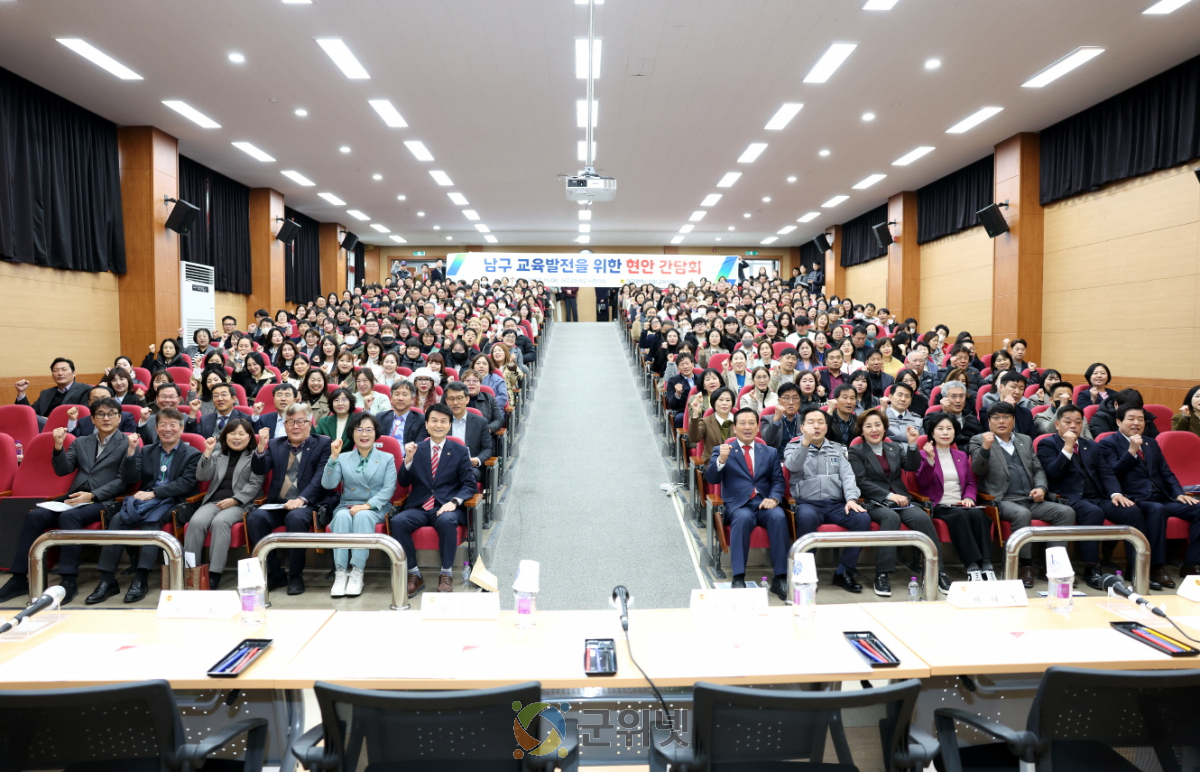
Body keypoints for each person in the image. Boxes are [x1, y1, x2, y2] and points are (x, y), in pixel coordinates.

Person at [0, 398, 128, 604]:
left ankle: (68, 580)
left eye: (111, 413)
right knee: (35, 516)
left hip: (104, 500)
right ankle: (19, 578)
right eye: (101, 414)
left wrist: (93, 496)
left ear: (119, 418)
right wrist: (58, 446)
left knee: (69, 518)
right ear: (93, 419)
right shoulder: (81, 441)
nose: (106, 418)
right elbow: (63, 470)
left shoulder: (127, 443)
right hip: (74, 497)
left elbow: (124, 480)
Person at [85, 407, 200, 604]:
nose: (167, 429)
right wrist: (130, 452)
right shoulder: (146, 451)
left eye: (173, 425)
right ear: (156, 428)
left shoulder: (192, 454)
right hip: (145, 500)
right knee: (117, 520)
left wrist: (155, 493)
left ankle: (141, 578)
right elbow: (131, 478)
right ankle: (107, 579)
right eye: (163, 425)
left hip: (173, 501)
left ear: (181, 428)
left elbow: (186, 484)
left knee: (151, 523)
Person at [1037, 404, 1150, 590]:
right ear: (1057, 425)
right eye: (1068, 422)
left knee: (1132, 511)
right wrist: (1067, 448)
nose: (1073, 426)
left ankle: (1136, 567)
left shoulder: (1092, 446)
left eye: (1078, 422)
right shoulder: (1047, 444)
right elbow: (1052, 473)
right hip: (1068, 497)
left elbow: (1106, 473)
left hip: (1097, 496)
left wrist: (1115, 493)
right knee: (1093, 513)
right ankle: (1092, 567)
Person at [969, 402, 1076, 587]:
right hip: (1000, 500)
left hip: (1029, 498)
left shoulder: (1024, 440)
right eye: (996, 418)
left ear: (1014, 420)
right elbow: (977, 469)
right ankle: (1023, 565)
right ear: (989, 422)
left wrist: (1041, 488)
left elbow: (1037, 469)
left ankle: (1052, 566)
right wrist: (985, 448)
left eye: (1006, 417)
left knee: (1065, 512)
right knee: (1022, 514)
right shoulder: (979, 440)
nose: (1001, 421)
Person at [849, 409, 950, 595]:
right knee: (890, 518)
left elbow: (911, 466)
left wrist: (912, 445)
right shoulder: (856, 451)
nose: (874, 429)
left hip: (901, 499)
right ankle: (882, 575)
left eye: (878, 425)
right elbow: (860, 481)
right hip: (874, 501)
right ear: (861, 430)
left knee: (922, 518)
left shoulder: (893, 447)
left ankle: (937, 571)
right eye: (868, 426)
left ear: (885, 428)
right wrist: (888, 496)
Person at [1100, 404, 1200, 587]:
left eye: (1140, 419)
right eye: (1131, 418)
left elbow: (1165, 472)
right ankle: (1155, 566)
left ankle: (1192, 563)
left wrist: (1178, 494)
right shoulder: (1108, 443)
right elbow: (1113, 474)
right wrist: (1131, 451)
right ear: (1118, 421)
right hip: (1133, 498)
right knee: (1157, 510)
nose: (1136, 423)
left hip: (1161, 496)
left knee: (1198, 508)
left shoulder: (1151, 442)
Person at [245, 402, 337, 596]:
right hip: (278, 502)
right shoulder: (276, 444)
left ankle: (295, 575)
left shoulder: (322, 443)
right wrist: (260, 447)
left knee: (295, 518)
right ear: (284, 425)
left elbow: (320, 478)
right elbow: (260, 469)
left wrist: (302, 499)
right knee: (254, 519)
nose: (295, 426)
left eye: (300, 421)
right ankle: (275, 572)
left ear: (310, 424)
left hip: (308, 503)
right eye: (291, 422)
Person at [391, 404, 478, 595]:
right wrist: (408, 460)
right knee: (398, 521)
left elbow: (469, 485)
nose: (438, 425)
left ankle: (446, 573)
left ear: (449, 425)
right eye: (434, 420)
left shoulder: (460, 450)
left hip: (445, 506)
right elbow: (404, 481)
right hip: (420, 506)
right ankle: (414, 573)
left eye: (443, 421)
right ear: (427, 424)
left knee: (448, 520)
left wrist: (454, 502)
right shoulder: (416, 448)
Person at [783, 406, 870, 593]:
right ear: (802, 427)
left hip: (836, 504)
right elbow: (792, 465)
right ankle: (806, 574)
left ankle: (843, 571)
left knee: (862, 518)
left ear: (826, 427)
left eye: (821, 422)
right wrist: (804, 444)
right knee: (806, 518)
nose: (816, 426)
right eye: (811, 423)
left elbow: (847, 476)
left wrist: (852, 499)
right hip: (808, 504)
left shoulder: (837, 448)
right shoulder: (793, 446)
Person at [705, 409, 788, 599]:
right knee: (742, 519)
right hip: (739, 505)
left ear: (758, 427)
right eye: (742, 423)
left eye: (752, 422)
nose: (747, 427)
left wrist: (774, 498)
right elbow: (712, 478)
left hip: (764, 502)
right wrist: (721, 460)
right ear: (734, 428)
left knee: (779, 517)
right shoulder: (723, 449)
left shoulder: (770, 451)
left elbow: (777, 480)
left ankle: (780, 578)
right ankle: (738, 577)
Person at [321, 412, 398, 597]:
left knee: (362, 516)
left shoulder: (387, 458)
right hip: (347, 504)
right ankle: (340, 572)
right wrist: (332, 458)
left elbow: (389, 489)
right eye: (359, 429)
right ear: (352, 433)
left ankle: (357, 572)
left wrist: (367, 506)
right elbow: (328, 485)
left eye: (369, 429)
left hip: (376, 507)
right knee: (340, 516)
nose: (364, 434)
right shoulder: (343, 457)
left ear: (376, 433)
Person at [184, 418, 264, 589]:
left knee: (220, 522)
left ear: (249, 437)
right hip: (214, 501)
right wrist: (207, 452)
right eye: (232, 433)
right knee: (196, 522)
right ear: (225, 436)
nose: (237, 437)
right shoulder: (218, 454)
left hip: (240, 503)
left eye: (242, 434)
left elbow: (255, 484)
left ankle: (214, 574)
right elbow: (202, 477)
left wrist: (235, 499)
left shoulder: (255, 456)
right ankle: (190, 572)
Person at [915, 413, 994, 581]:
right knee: (960, 517)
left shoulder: (961, 456)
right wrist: (930, 460)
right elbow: (922, 481)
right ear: (932, 433)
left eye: (949, 429)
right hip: (939, 505)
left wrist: (969, 498)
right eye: (940, 429)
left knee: (980, 515)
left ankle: (986, 564)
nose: (945, 433)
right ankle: (972, 565)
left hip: (960, 503)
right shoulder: (923, 454)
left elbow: (971, 482)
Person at [13, 357, 91, 427]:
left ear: (74, 373)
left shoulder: (86, 390)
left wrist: (51, 420)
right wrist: (21, 392)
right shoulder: (46, 393)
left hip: (67, 428)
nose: (60, 373)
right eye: (55, 370)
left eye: (64, 370)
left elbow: (84, 415)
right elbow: (29, 412)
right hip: (42, 428)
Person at [442, 382, 493, 482]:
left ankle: (458, 497)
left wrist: (477, 460)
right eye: (451, 399)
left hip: (469, 467)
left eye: (459, 398)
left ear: (467, 399)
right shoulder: (440, 422)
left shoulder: (481, 422)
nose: (455, 402)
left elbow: (487, 448)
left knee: (468, 476)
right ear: (447, 401)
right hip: (443, 466)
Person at [66, 385, 138, 437]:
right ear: (90, 403)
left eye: (105, 398)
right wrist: (72, 420)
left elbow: (129, 440)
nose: (101, 403)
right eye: (96, 400)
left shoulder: (125, 417)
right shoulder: (83, 421)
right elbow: (75, 441)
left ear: (113, 400)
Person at [688, 386, 736, 461]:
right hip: (712, 463)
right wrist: (696, 413)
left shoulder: (739, 421)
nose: (724, 403)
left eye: (728, 400)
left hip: (736, 463)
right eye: (720, 400)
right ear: (713, 402)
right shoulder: (706, 421)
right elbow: (694, 438)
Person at [378, 380, 430, 445]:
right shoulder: (380, 417)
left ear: (412, 399)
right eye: (397, 394)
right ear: (391, 398)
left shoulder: (421, 421)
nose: (400, 398)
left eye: (404, 395)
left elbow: (419, 447)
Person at [937, 381, 982, 451]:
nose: (958, 400)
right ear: (944, 399)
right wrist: (945, 413)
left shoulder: (972, 418)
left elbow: (980, 440)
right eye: (953, 396)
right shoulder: (932, 418)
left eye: (961, 396)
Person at [761, 382, 803, 456]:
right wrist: (776, 419)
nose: (791, 402)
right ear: (779, 401)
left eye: (795, 398)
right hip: (777, 460)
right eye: (786, 398)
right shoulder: (767, 419)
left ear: (799, 400)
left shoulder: (804, 420)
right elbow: (767, 442)